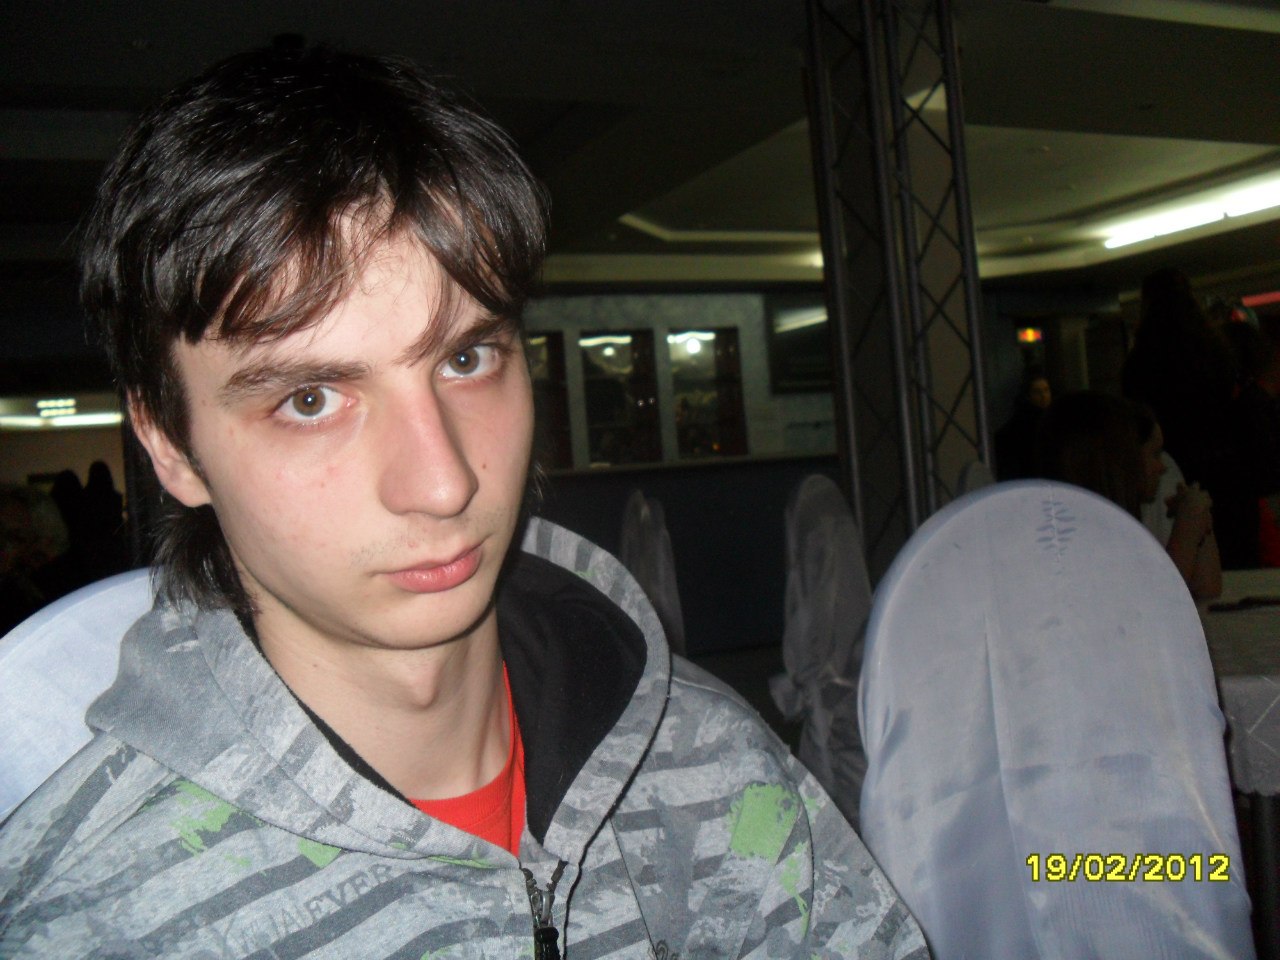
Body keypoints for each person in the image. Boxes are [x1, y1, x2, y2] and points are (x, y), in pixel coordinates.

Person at [0, 46, 925, 959]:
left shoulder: (710, 758)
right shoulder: (90, 918)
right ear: (170, 444)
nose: (444, 483)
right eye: (310, 400)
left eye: (466, 358)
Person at [1035, 391, 1221, 600]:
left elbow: (1207, 589)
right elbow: (1154, 602)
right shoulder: (1077, 538)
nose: (1162, 467)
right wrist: (1186, 531)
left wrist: (1199, 523)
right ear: (1121, 461)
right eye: (1154, 454)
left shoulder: (1119, 527)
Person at [993, 365, 1051, 481]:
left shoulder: (1051, 420)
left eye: (1046, 390)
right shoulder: (1022, 425)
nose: (1043, 396)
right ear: (1028, 396)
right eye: (1037, 392)